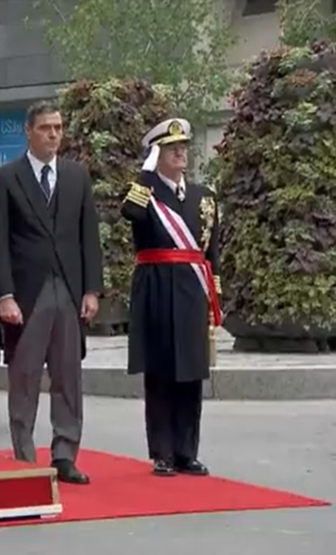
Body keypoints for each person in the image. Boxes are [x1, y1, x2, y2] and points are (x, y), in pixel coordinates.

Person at [0, 101, 103, 485]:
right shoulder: (5, 178)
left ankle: (65, 453)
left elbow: (88, 237)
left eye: (58, 127)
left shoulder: (75, 176)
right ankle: (23, 455)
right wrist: (4, 294)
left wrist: (91, 289)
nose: (54, 134)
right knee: (25, 375)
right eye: (46, 128)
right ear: (29, 131)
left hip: (67, 288)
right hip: (26, 291)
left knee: (68, 374)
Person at [121, 118, 220, 477]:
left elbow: (213, 252)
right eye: (171, 148)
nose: (181, 153)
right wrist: (145, 175)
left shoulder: (203, 197)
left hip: (192, 289)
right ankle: (162, 452)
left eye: (183, 147)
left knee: (191, 372)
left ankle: (186, 451)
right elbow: (129, 213)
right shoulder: (145, 193)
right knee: (161, 371)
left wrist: (214, 294)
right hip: (157, 288)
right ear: (156, 155)